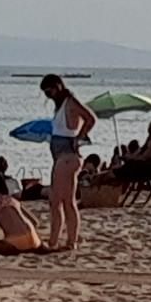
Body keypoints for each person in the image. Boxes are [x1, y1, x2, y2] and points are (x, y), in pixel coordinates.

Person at [36, 76, 95, 252]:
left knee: (57, 201)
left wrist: (79, 137)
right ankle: (69, 241)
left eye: (49, 91)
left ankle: (57, 241)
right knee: (66, 201)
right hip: (63, 156)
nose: (48, 95)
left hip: (67, 156)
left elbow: (90, 118)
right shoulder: (61, 106)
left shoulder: (70, 103)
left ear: (57, 87)